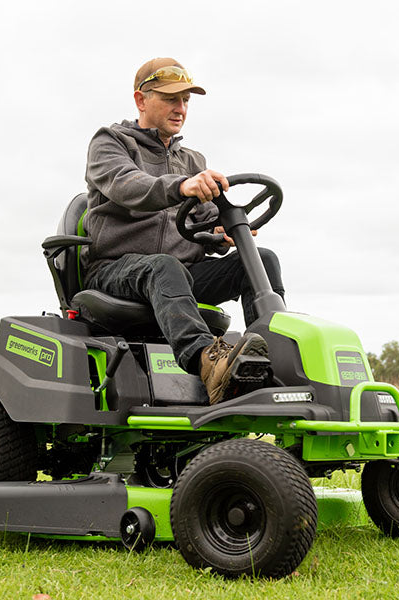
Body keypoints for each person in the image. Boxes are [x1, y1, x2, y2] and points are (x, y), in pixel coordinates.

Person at [80, 57, 285, 404]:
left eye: (186, 100)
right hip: (116, 270)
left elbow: (202, 223)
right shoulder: (110, 142)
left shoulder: (192, 160)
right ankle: (209, 364)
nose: (181, 108)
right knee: (163, 266)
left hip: (179, 274)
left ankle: (271, 366)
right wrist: (181, 186)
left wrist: (223, 233)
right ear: (141, 100)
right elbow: (129, 186)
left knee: (261, 260)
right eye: (171, 98)